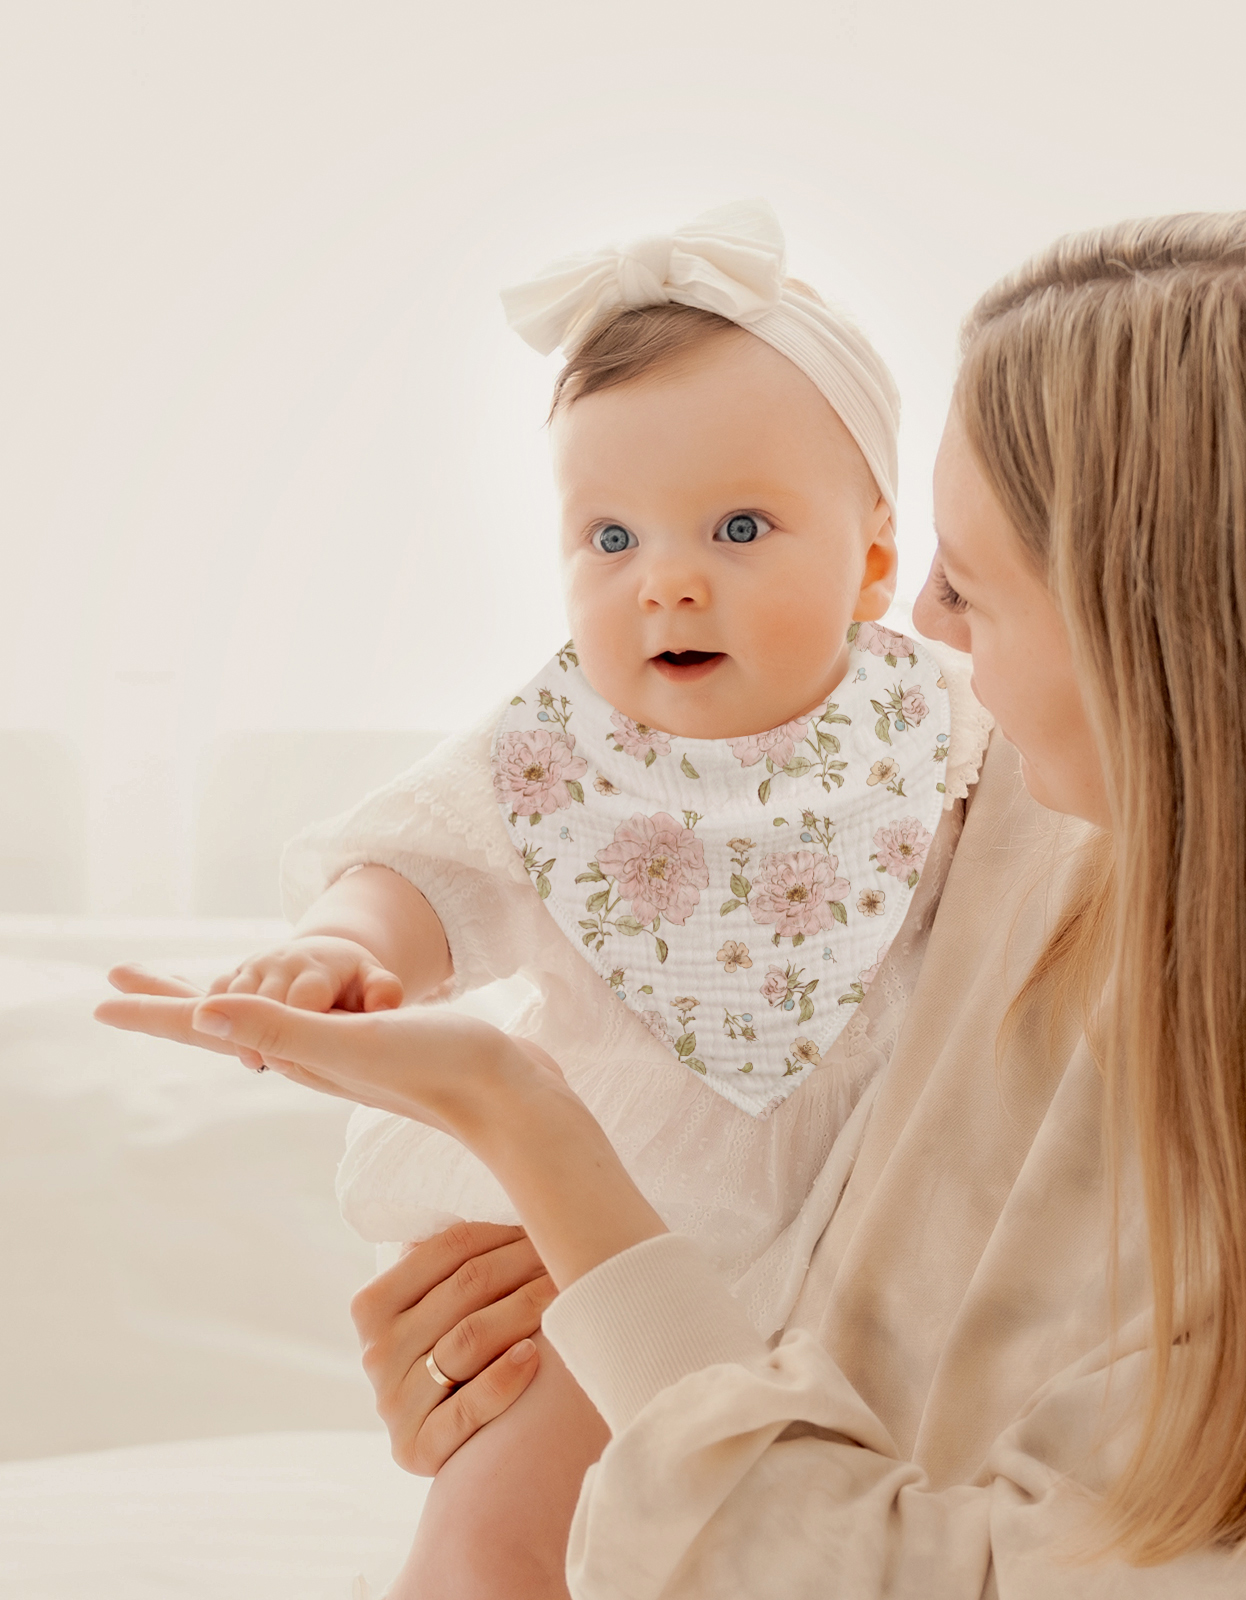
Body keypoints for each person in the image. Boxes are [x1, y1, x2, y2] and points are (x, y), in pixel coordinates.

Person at [101, 209, 1246, 1598]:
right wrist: (554, 1312)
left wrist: (535, 1137)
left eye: (970, 588)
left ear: (1179, 664)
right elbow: (481, 840)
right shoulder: (1029, 814)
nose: (916, 635)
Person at [105, 199, 988, 1597]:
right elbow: (425, 861)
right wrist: (344, 944)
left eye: (741, 526)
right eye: (612, 537)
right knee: (498, 1532)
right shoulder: (564, 745)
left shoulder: (946, 725)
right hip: (599, 1243)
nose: (669, 582)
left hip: (872, 1278)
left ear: (878, 554)